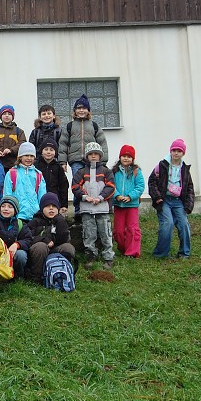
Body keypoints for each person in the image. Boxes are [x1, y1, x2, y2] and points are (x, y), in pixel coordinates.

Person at [58, 94, 109, 222]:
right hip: (75, 161)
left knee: (91, 185)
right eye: (79, 108)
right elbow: (63, 144)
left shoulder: (94, 126)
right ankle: (78, 211)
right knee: (78, 186)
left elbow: (102, 143)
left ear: (88, 111)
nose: (81, 110)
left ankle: (93, 209)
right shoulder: (69, 126)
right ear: (74, 111)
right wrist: (62, 161)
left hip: (92, 162)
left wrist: (103, 161)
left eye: (84, 108)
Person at [72, 142, 116, 270]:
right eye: (90, 154)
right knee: (88, 233)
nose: (93, 156)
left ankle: (108, 256)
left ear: (100, 156)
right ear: (86, 156)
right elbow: (75, 186)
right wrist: (85, 197)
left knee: (105, 233)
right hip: (86, 209)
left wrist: (100, 197)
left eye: (96, 154)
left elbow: (111, 187)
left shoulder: (106, 171)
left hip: (103, 208)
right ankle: (90, 255)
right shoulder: (81, 172)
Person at [148, 139, 195, 259]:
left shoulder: (185, 169)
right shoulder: (162, 165)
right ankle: (161, 253)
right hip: (164, 200)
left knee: (184, 224)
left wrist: (189, 205)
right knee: (167, 223)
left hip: (178, 201)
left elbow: (189, 187)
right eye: (174, 150)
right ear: (170, 151)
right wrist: (157, 197)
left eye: (179, 151)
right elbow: (152, 181)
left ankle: (184, 253)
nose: (176, 153)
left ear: (183, 153)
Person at [26, 193, 76, 282]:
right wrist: (44, 240)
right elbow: (27, 237)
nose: (51, 208)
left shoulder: (61, 221)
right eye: (47, 206)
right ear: (42, 208)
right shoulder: (35, 221)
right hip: (40, 251)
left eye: (54, 206)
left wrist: (61, 223)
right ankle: (37, 277)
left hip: (56, 249)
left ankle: (64, 272)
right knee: (40, 246)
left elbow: (65, 240)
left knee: (68, 247)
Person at [112, 144, 145, 258]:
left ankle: (132, 252)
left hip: (132, 205)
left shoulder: (136, 172)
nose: (126, 158)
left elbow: (140, 186)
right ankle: (123, 248)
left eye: (129, 156)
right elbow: (111, 185)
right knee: (118, 231)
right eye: (124, 156)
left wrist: (130, 197)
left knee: (132, 229)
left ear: (133, 159)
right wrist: (116, 196)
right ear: (120, 157)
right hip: (118, 205)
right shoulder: (114, 171)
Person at [0, 195, 33, 279]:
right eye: (3, 206)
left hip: (13, 254)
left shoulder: (20, 224)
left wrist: (17, 244)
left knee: (21, 255)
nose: (6, 209)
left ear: (15, 210)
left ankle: (17, 277)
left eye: (10, 207)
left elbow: (28, 240)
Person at [2, 142, 47, 221]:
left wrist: (41, 212)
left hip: (35, 215)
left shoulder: (38, 174)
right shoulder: (12, 173)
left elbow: (42, 196)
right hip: (17, 216)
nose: (29, 158)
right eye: (26, 155)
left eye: (31, 156)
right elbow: (7, 195)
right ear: (20, 157)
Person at [0, 104, 27, 171]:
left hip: (15, 165)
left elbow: (22, 144)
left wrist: (11, 150)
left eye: (9, 114)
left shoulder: (19, 131)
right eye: (4, 114)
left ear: (13, 116)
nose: (7, 115)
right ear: (1, 116)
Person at [35, 139, 69, 216]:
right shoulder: (36, 166)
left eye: (51, 150)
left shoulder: (58, 167)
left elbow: (63, 186)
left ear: (55, 152)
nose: (48, 152)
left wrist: (64, 204)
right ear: (41, 151)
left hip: (54, 199)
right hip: (39, 199)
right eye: (46, 149)